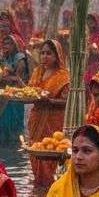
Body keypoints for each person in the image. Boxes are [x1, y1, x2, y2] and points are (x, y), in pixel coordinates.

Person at [26, 38, 70, 186]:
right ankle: (39, 184)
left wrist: (50, 102)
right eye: (42, 53)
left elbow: (67, 102)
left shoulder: (63, 76)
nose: (44, 56)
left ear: (57, 56)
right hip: (36, 118)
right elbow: (30, 92)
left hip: (53, 121)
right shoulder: (37, 72)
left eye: (49, 53)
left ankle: (53, 186)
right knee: (36, 151)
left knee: (52, 152)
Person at [0, 33, 29, 146]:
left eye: (8, 43)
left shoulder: (19, 58)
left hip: (13, 95)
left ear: (15, 45)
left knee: (11, 124)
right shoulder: (5, 57)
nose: (5, 45)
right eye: (4, 43)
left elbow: (18, 78)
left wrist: (3, 75)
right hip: (1, 92)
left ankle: (14, 143)